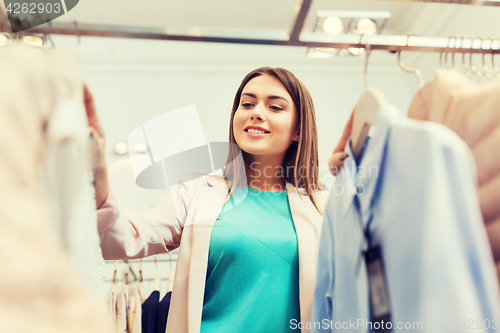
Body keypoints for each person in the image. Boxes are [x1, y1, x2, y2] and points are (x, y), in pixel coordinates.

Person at [85, 67, 351, 333]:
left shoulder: (324, 206)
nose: (256, 112)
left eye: (275, 107)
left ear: (299, 130)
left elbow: (373, 269)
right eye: (247, 104)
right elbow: (121, 239)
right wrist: (96, 168)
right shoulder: (198, 192)